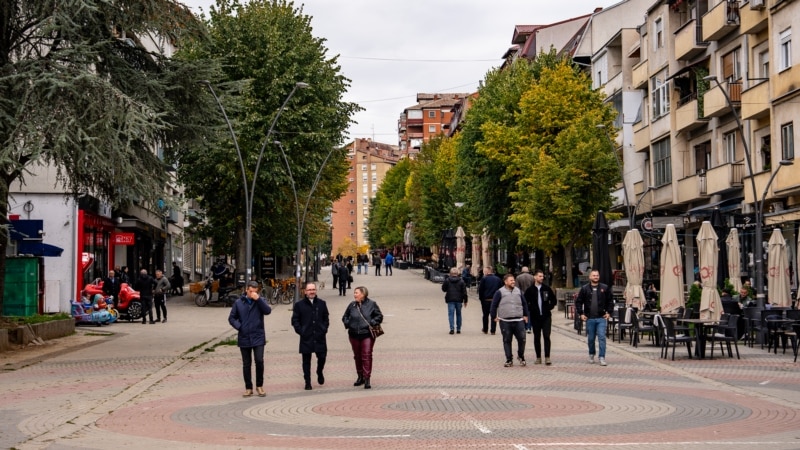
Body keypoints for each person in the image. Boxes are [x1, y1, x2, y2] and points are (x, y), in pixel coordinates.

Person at [228, 281, 272, 397]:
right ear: (246, 290)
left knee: (259, 361)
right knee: (246, 363)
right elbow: (231, 318)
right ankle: (248, 387)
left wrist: (258, 300)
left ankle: (259, 386)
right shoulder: (239, 302)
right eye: (251, 291)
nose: (253, 293)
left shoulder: (260, 301)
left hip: (258, 336)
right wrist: (240, 327)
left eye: (255, 291)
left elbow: (267, 311)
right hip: (244, 336)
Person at [342, 286, 383, 389]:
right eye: (354, 293)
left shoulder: (372, 304)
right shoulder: (352, 305)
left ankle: (367, 378)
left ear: (363, 294)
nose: (354, 294)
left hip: (367, 334)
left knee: (367, 355)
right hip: (354, 334)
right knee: (357, 356)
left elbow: (379, 316)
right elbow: (345, 316)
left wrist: (373, 322)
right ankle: (360, 376)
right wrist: (348, 323)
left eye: (356, 293)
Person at [291, 282, 329, 390]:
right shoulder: (299, 305)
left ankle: (319, 371)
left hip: (319, 336)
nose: (311, 292)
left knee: (322, 357)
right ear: (305, 291)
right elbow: (295, 320)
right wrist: (301, 331)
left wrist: (324, 329)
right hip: (306, 336)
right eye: (309, 290)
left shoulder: (322, 303)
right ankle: (307, 381)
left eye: (313, 289)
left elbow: (326, 318)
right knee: (306, 360)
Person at [575, 269, 614, 366]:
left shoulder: (605, 288)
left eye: (597, 275)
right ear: (590, 277)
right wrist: (581, 313)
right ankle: (591, 353)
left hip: (601, 318)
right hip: (590, 318)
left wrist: (609, 312)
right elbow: (578, 302)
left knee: (602, 337)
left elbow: (610, 301)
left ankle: (602, 357)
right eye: (594, 275)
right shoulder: (584, 289)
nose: (595, 277)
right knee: (591, 338)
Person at [490, 273, 529, 367]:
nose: (513, 282)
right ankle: (509, 359)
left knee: (522, 339)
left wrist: (526, 315)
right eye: (511, 280)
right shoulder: (499, 292)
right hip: (505, 320)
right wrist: (493, 316)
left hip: (519, 319)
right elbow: (494, 305)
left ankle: (520, 355)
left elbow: (524, 304)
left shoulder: (518, 291)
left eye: (513, 280)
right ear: (505, 282)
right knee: (507, 340)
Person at [524, 269, 557, 365]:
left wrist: (548, 308)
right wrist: (531, 309)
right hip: (535, 317)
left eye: (542, 276)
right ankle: (538, 357)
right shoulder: (530, 290)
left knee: (546, 336)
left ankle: (547, 357)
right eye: (539, 276)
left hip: (546, 316)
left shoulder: (546, 288)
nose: (541, 278)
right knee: (537, 337)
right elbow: (525, 302)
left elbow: (553, 300)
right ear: (535, 277)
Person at [477, 266, 503, 335]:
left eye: (484, 271)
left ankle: (485, 329)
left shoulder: (484, 279)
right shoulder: (498, 279)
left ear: (488, 271)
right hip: (495, 300)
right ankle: (493, 330)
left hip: (486, 300)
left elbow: (480, 290)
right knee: (493, 315)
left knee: (485, 315)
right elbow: (501, 289)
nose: (483, 272)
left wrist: (481, 299)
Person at [442, 267, 468, 334]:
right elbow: (464, 292)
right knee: (459, 314)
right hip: (459, 299)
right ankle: (458, 329)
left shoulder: (447, 280)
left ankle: (452, 328)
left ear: (450, 273)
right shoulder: (461, 281)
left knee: (451, 314)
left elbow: (443, 289)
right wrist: (465, 300)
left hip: (450, 299)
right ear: (458, 273)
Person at [515, 267, 535, 333]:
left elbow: (517, 288)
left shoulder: (518, 277)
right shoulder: (532, 277)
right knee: (530, 311)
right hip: (531, 296)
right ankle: (529, 326)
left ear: (522, 271)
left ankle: (525, 325)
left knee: (523, 310)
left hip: (522, 295)